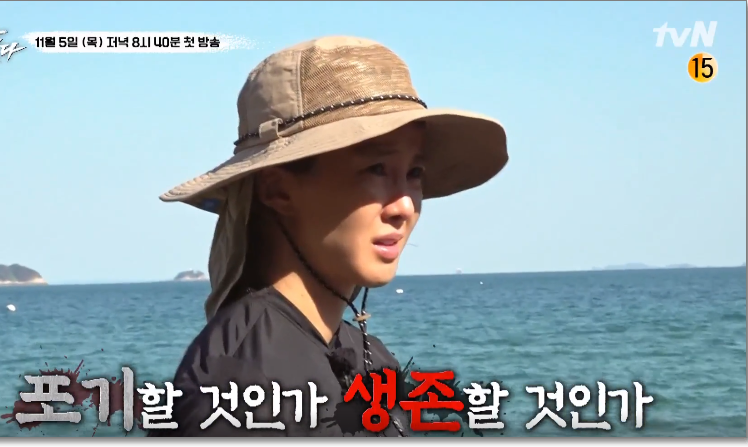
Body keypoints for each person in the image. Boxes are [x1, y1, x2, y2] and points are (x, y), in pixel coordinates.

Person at [150, 35, 508, 437]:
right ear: (278, 189)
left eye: (414, 173)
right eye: (376, 169)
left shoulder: (358, 352)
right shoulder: (246, 382)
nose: (404, 207)